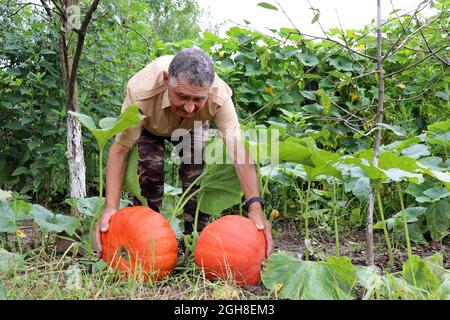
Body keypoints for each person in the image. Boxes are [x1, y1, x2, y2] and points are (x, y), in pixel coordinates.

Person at [93, 47, 274, 257]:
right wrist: (110, 208)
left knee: (196, 175)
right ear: (166, 80)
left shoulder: (219, 96)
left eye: (198, 99)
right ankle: (147, 241)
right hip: (150, 125)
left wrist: (255, 208)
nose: (189, 107)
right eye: (182, 96)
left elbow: (238, 152)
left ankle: (195, 241)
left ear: (210, 88)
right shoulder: (141, 91)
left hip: (192, 127)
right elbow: (121, 150)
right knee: (149, 174)